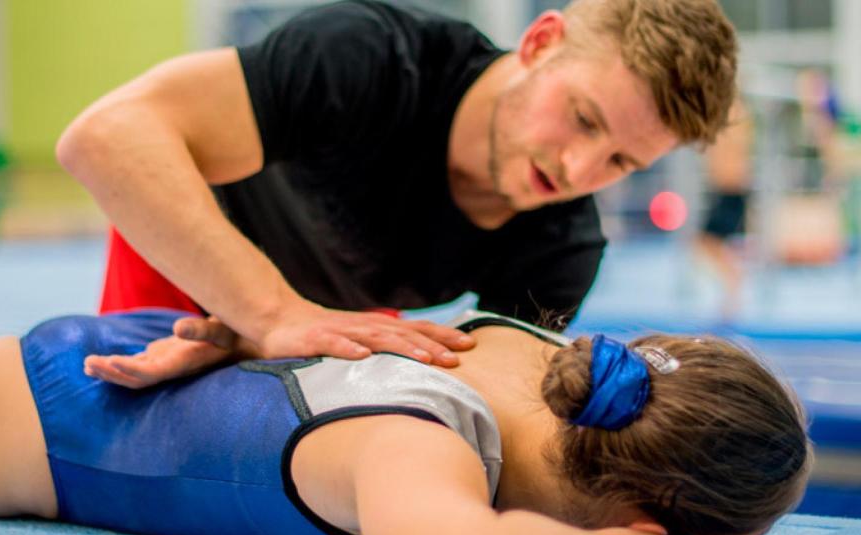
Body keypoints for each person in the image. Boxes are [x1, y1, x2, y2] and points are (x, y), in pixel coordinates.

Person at [0, 307, 809, 535]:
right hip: (45, 426)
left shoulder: (516, 355)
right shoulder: (422, 451)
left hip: (146, 359)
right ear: (640, 519)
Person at [57, 0, 739, 367]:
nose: (577, 172)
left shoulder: (563, 247)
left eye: (621, 163)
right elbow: (105, 138)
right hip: (193, 258)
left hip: (334, 317)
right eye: (583, 119)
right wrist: (268, 314)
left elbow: (489, 397)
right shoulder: (368, 57)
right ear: (538, 43)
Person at [696, 98, 754, 320]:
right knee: (707, 243)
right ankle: (732, 289)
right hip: (724, 191)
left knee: (706, 242)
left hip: (731, 192)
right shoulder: (725, 120)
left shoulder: (734, 117)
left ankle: (734, 289)